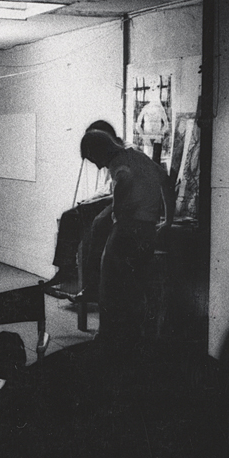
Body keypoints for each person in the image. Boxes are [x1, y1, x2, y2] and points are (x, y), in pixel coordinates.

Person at [80, 129, 175, 349]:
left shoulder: (117, 164)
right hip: (148, 231)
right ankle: (133, 340)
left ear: (100, 151)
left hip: (128, 230)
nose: (97, 166)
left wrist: (118, 209)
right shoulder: (135, 153)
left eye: (95, 160)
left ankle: (106, 337)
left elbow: (124, 179)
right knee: (134, 288)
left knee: (109, 285)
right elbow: (165, 180)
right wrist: (168, 220)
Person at [45, 121, 119, 303]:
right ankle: (66, 269)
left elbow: (118, 192)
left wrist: (94, 202)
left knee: (89, 228)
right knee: (69, 216)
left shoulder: (123, 157)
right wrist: (91, 200)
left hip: (121, 204)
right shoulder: (112, 158)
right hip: (110, 198)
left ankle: (89, 284)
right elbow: (107, 187)